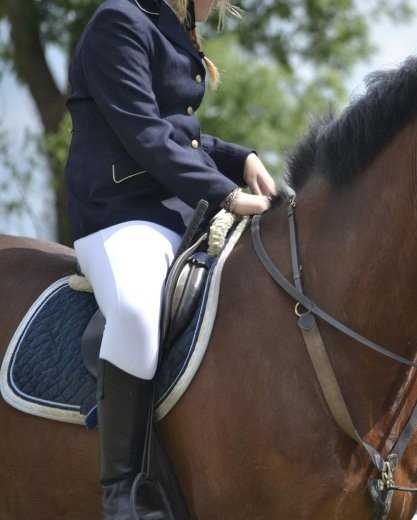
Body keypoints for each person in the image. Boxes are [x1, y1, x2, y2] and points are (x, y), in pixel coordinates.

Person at [63, 0, 276, 517]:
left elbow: (181, 132)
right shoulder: (118, 22)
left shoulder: (164, 25)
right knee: (136, 311)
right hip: (120, 217)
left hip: (178, 213)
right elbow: (144, 132)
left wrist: (238, 155)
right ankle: (123, 493)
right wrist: (226, 193)